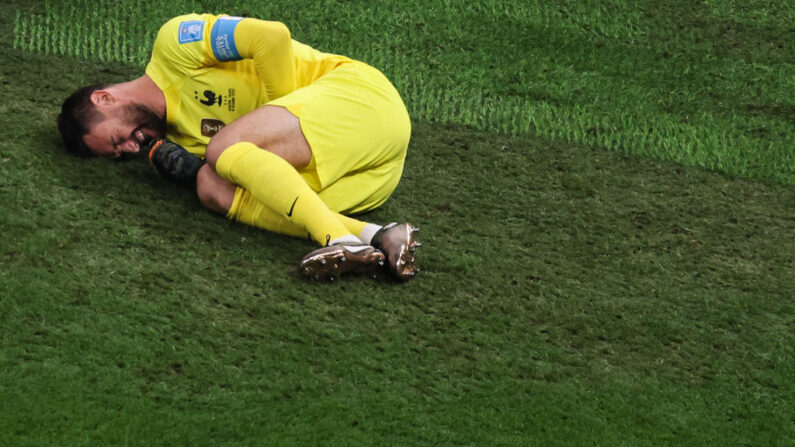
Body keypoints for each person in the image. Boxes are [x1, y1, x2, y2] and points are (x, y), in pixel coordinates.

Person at [56, 13, 420, 281]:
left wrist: (280, 111)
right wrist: (194, 170)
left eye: (118, 138)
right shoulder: (184, 140)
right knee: (210, 187)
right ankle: (377, 234)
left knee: (223, 148)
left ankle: (337, 238)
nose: (133, 146)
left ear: (104, 99)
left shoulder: (173, 46)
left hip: (363, 103)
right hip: (369, 176)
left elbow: (271, 37)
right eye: (122, 154)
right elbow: (252, 171)